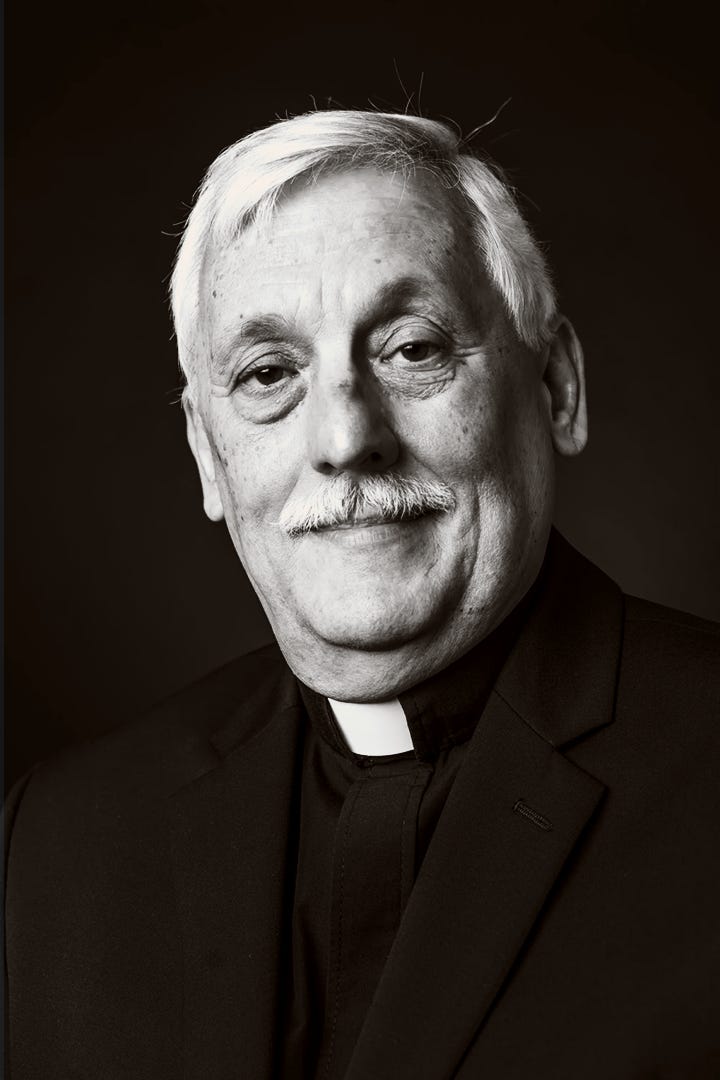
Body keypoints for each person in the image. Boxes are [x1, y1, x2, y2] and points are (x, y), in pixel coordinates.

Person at [5, 110, 719, 1080]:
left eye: (413, 350)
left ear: (556, 387)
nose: (345, 440)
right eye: (269, 374)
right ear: (208, 456)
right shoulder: (61, 846)